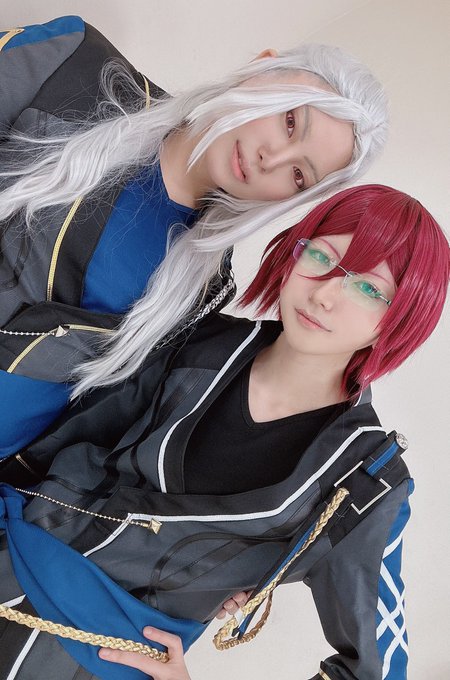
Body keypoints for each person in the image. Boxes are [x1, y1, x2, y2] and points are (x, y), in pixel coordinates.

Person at [0, 185, 448, 680]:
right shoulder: (190, 336)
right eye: (321, 256)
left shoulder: (363, 482)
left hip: (91, 660)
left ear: (401, 317)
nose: (324, 294)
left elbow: (378, 670)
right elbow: (44, 434)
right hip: (10, 556)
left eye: (368, 289)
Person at [0, 15, 388, 465]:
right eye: (289, 122)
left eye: (299, 175)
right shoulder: (74, 64)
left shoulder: (203, 283)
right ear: (261, 68)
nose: (273, 159)